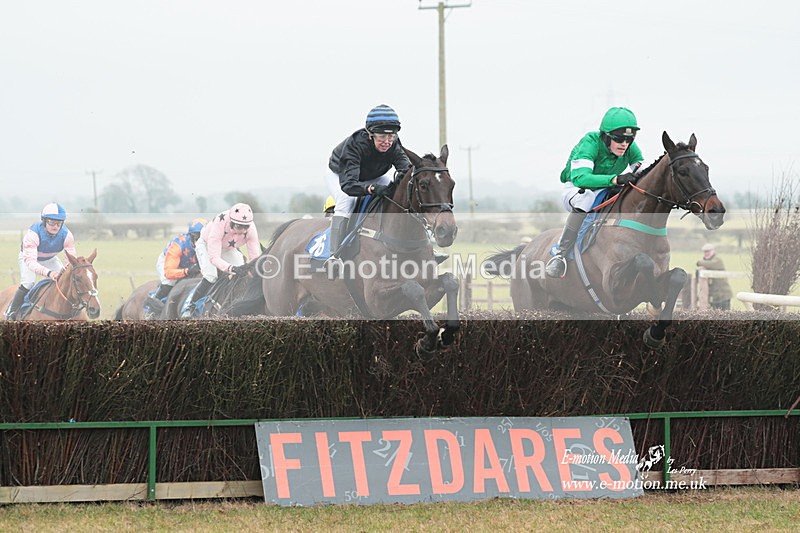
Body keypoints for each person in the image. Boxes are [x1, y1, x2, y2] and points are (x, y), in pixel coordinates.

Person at [545, 107, 645, 278]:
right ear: (606, 136)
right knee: (586, 197)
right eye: (619, 139)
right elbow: (581, 179)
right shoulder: (590, 142)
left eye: (629, 139)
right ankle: (561, 253)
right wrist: (615, 179)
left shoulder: (629, 147)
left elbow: (644, 172)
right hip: (577, 190)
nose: (624, 144)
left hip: (607, 189)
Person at [325, 104, 411, 261]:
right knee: (346, 201)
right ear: (370, 135)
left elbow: (407, 169)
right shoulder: (355, 145)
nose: (387, 142)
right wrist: (371, 188)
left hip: (374, 175)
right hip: (341, 175)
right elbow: (349, 185)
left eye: (391, 136)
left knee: (397, 197)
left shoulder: (395, 144)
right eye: (382, 137)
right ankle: (334, 256)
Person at [181, 203, 261, 318]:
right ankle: (190, 306)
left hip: (228, 248)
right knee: (211, 275)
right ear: (232, 222)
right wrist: (230, 268)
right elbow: (214, 257)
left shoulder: (250, 228)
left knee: (241, 275)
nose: (242, 231)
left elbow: (254, 257)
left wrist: (253, 272)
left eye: (245, 228)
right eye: (239, 227)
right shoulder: (221, 221)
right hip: (207, 244)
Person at [5, 202, 77, 320]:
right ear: (44, 221)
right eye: (52, 223)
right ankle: (12, 311)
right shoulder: (33, 234)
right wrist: (49, 273)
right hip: (28, 259)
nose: (55, 227)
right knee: (29, 282)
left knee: (63, 280)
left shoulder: (67, 235)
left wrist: (67, 270)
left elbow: (71, 260)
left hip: (50, 259)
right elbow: (32, 262)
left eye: (59, 224)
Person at [152, 218, 207, 301]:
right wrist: (186, 271)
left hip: (189, 263)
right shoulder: (178, 245)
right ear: (191, 236)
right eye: (197, 238)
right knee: (169, 282)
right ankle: (152, 308)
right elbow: (169, 273)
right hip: (169, 263)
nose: (200, 242)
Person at [697, 243, 733, 310]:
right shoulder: (707, 262)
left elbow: (710, 264)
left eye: (708, 251)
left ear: (713, 251)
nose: (706, 253)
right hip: (714, 296)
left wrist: (699, 262)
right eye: (705, 252)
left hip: (724, 295)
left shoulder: (717, 260)